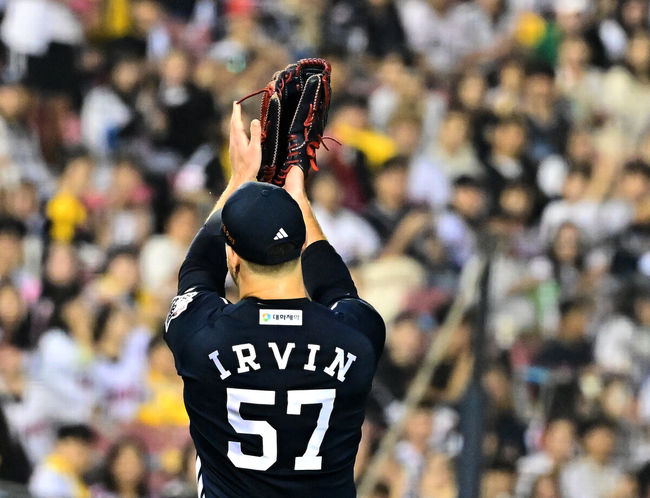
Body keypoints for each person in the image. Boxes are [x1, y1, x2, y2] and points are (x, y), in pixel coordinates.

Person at [164, 102, 385, 497]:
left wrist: (239, 178)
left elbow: (197, 273)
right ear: (300, 248)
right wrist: (299, 197)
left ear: (233, 259)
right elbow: (338, 289)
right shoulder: (357, 336)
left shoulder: (202, 337)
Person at [29, 424, 95, 498]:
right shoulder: (51, 474)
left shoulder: (68, 474)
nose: (86, 457)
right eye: (80, 452)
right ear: (61, 445)